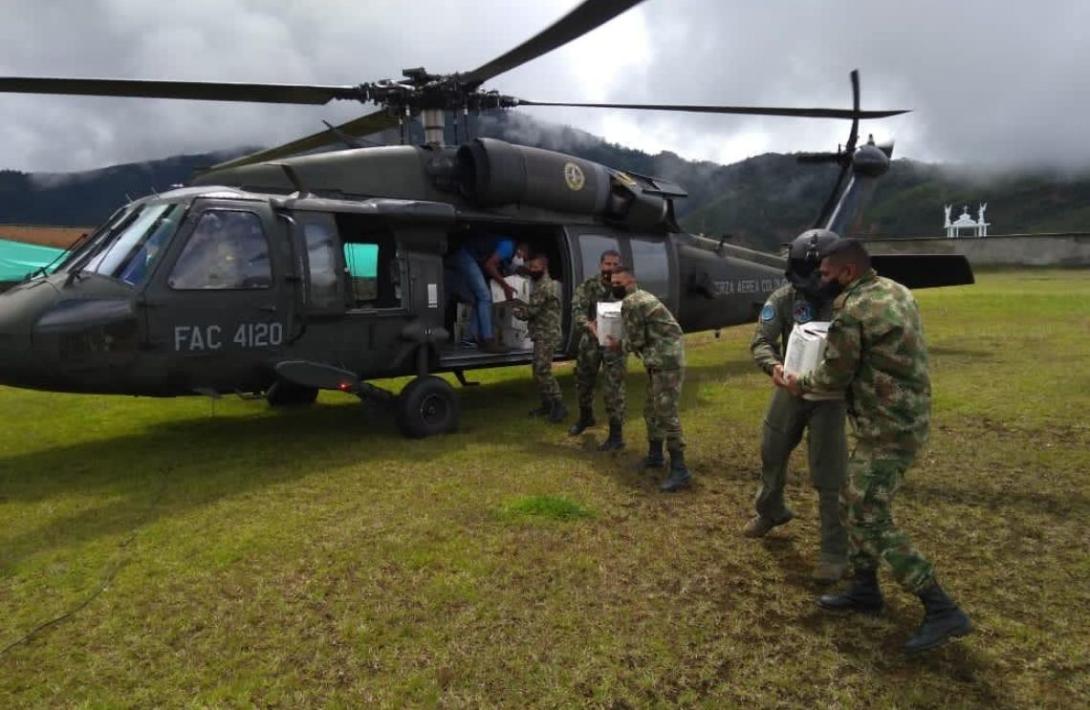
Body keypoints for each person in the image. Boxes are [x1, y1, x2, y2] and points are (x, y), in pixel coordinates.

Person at [783, 238, 972, 655]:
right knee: (854, 502)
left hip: (887, 427)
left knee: (868, 515)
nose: (821, 280)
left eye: (827, 274)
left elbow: (834, 375)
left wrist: (798, 383)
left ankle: (941, 607)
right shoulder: (895, 290)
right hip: (902, 417)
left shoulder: (852, 311)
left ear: (847, 273)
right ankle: (865, 588)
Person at [746, 229, 849, 584]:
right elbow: (761, 340)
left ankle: (834, 551)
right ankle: (770, 510)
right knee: (771, 449)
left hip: (829, 398)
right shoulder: (786, 298)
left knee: (829, 472)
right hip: (789, 389)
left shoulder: (852, 303)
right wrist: (773, 367)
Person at [606, 266, 690, 492]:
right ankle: (655, 456)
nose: (615, 286)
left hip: (666, 362)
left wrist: (615, 344)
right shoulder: (642, 297)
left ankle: (680, 469)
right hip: (661, 359)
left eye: (618, 282)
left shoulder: (632, 302)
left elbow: (635, 341)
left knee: (665, 413)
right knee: (651, 409)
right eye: (612, 283)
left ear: (631, 280)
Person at [568, 249, 627, 451]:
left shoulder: (625, 285)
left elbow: (635, 309)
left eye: (614, 264)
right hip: (591, 341)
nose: (610, 268)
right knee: (583, 382)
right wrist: (589, 325)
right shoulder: (590, 285)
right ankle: (586, 418)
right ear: (601, 265)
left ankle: (616, 435)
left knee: (613, 388)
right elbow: (577, 308)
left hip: (614, 343)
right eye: (607, 264)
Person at [513, 254, 566, 423]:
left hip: (547, 334)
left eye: (536, 268)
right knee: (537, 370)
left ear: (544, 267)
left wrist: (512, 309)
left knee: (543, 369)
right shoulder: (539, 284)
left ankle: (559, 405)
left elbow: (531, 311)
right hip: (541, 333)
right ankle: (546, 403)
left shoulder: (545, 286)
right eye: (531, 267)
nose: (532, 270)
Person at [450, 233, 519, 353]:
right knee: (485, 297)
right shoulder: (508, 246)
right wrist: (506, 286)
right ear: (523, 249)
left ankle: (470, 338)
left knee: (481, 299)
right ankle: (488, 340)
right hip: (466, 255)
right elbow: (489, 265)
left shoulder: (509, 250)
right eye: (524, 256)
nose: (522, 259)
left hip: (469, 256)